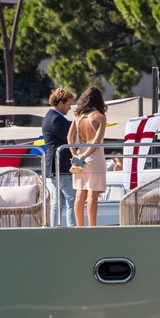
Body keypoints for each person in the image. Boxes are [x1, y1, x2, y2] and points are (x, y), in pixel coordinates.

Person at [67, 87, 108, 227]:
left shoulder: (78, 117)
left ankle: (79, 228)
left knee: (79, 194)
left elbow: (69, 137)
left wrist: (75, 155)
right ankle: (92, 228)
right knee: (92, 195)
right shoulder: (100, 117)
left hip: (78, 158)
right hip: (94, 158)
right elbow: (97, 142)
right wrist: (85, 155)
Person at [42, 88, 77, 227]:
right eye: (68, 104)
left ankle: (54, 229)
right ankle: (72, 230)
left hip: (54, 166)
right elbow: (71, 136)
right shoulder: (56, 119)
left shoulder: (50, 117)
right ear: (61, 103)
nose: (69, 108)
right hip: (60, 166)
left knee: (58, 202)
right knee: (71, 199)